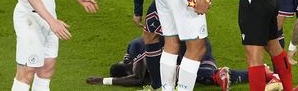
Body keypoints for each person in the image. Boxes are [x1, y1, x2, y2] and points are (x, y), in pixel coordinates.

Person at [86, 37, 262, 91]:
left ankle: (220, 74)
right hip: (196, 43)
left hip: (193, 51)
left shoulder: (139, 52)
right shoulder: (131, 46)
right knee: (202, 73)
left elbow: (138, 79)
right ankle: (264, 74)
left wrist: (104, 81)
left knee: (202, 76)